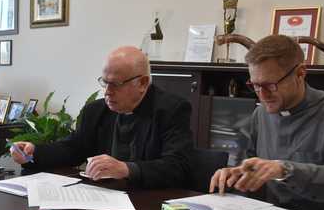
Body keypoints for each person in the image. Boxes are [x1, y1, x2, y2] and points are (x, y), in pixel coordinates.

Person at [209, 35, 324, 210]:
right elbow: (251, 167)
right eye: (256, 86)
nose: (263, 95)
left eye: (270, 85)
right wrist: (235, 175)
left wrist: (285, 170)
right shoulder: (261, 114)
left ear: (300, 73)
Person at [10, 46, 193, 188]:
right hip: (104, 200)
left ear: (142, 83)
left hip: (150, 205)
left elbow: (177, 167)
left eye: (115, 84)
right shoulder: (96, 110)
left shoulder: (171, 110)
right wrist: (34, 152)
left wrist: (127, 169)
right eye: (104, 83)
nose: (107, 92)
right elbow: (73, 149)